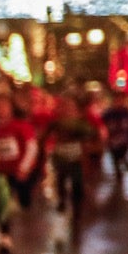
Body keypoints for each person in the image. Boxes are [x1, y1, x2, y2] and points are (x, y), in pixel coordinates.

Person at [0, 90, 36, 254]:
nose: (1, 110)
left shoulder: (21, 126)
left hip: (14, 171)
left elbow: (31, 147)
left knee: (6, 200)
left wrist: (24, 168)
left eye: (4, 106)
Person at [44, 91, 99, 221]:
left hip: (77, 158)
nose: (67, 110)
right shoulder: (56, 122)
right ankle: (62, 201)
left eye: (71, 107)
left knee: (77, 184)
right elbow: (45, 135)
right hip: (61, 157)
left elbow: (92, 135)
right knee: (60, 180)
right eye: (65, 106)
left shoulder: (82, 123)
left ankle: (77, 209)